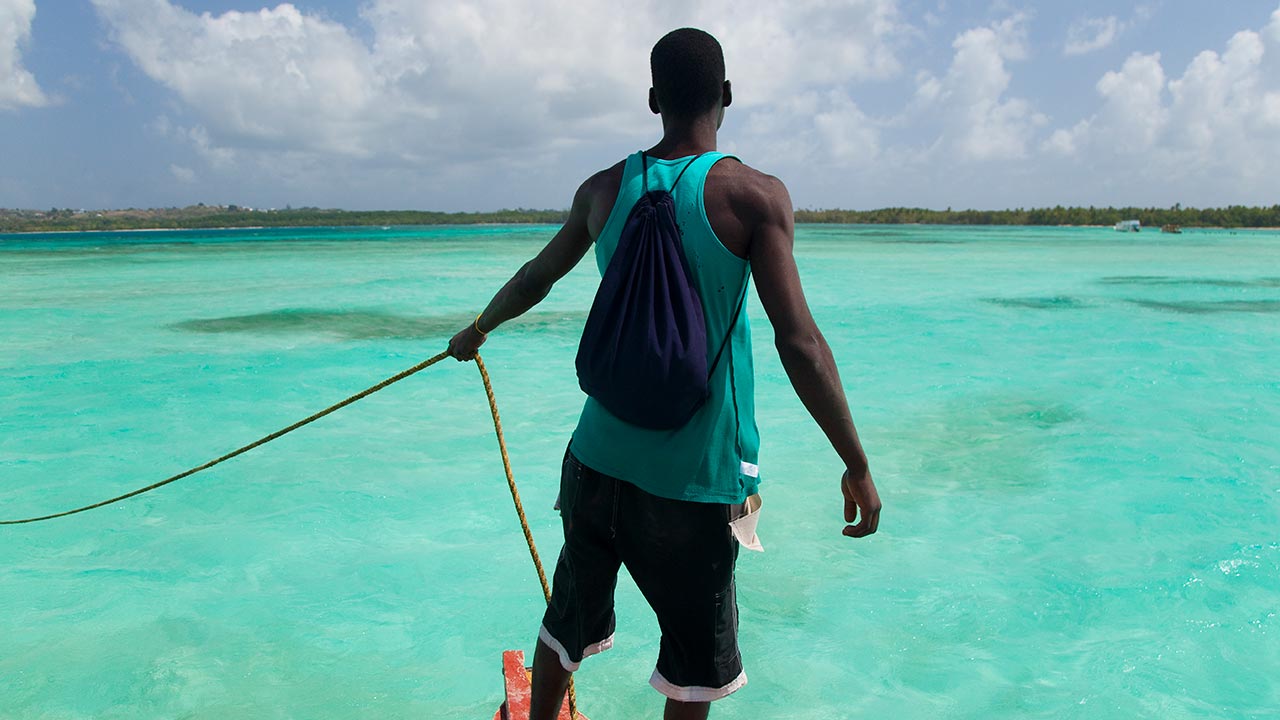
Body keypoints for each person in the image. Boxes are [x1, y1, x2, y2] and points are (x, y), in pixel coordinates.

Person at [448, 27, 880, 720]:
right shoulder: (754, 197)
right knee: (693, 669)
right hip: (696, 485)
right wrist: (855, 461)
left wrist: (477, 330)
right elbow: (799, 343)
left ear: (653, 100)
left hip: (592, 464)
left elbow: (537, 278)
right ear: (727, 96)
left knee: (569, 617)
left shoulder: (601, 190)